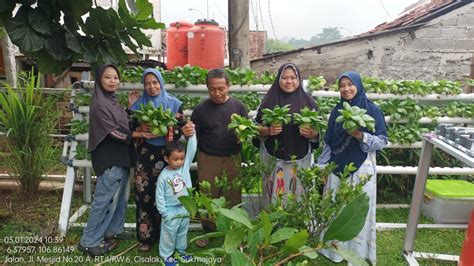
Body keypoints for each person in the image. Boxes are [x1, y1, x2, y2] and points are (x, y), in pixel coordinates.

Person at [78, 64, 154, 257]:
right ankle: (89, 241)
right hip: (109, 157)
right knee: (105, 200)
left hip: (119, 156)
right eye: (107, 78)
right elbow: (113, 131)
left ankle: (113, 230)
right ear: (99, 81)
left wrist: (129, 108)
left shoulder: (111, 101)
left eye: (115, 78)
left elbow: (121, 123)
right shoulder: (100, 104)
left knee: (119, 198)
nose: (113, 81)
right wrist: (138, 133)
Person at [317, 71, 388, 264]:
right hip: (336, 166)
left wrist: (359, 135)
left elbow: (382, 141)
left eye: (350, 84)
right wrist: (322, 167)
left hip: (362, 166)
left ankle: (357, 252)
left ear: (358, 85)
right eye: (342, 85)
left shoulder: (371, 110)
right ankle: (334, 250)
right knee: (336, 208)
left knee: (357, 209)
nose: (346, 89)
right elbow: (329, 142)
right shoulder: (337, 111)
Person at [129, 68, 194, 252]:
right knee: (145, 195)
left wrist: (185, 130)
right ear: (144, 85)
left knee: (170, 195)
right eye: (147, 83)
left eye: (155, 82)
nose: (151, 86)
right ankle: (146, 236)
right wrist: (140, 124)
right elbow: (130, 128)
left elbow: (182, 127)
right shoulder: (138, 105)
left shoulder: (173, 103)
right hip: (145, 155)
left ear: (161, 83)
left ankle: (170, 234)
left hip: (168, 156)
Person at [190, 68, 247, 245]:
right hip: (208, 157)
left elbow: (246, 131)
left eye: (221, 88)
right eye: (212, 89)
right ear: (208, 89)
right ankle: (208, 233)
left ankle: (232, 233)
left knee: (233, 195)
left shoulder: (239, 106)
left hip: (233, 157)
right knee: (208, 196)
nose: (217, 93)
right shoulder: (200, 110)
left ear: (228, 86)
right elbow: (193, 136)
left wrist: (242, 136)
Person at [255, 63, 319, 205]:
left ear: (299, 79)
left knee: (298, 195)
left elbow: (318, 133)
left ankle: (299, 225)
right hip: (273, 157)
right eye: (284, 78)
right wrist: (268, 131)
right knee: (273, 196)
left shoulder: (309, 103)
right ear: (278, 79)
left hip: (300, 158)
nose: (289, 81)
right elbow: (254, 127)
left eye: (293, 78)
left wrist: (311, 134)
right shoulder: (267, 102)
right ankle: (272, 226)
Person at [155, 134, 197, 266]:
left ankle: (181, 251)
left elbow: (192, 149)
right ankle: (166, 256)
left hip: (184, 208)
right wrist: (164, 212)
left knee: (182, 232)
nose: (179, 162)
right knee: (169, 234)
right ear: (166, 159)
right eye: (175, 159)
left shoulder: (184, 168)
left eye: (182, 158)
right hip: (170, 210)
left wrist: (193, 134)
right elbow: (159, 196)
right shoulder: (163, 176)